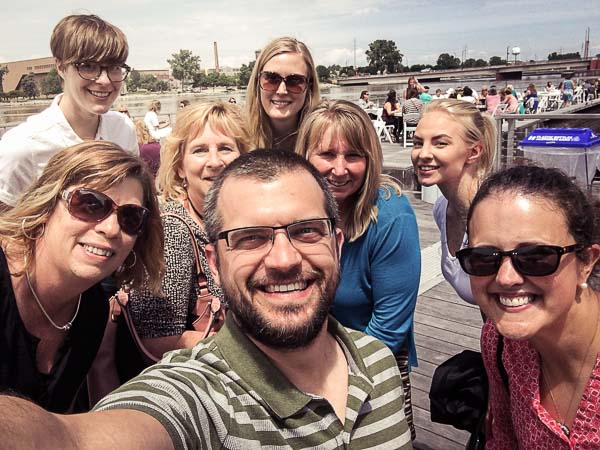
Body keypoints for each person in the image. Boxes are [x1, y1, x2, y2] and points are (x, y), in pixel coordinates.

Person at [0, 150, 413, 450]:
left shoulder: (377, 362)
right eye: (251, 238)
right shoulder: (198, 393)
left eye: (306, 230)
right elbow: (75, 438)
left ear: (336, 243)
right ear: (214, 263)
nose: (285, 259)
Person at [0, 141, 164, 413]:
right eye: (90, 204)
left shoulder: (91, 310)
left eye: (130, 217)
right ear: (47, 205)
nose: (111, 229)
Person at [296, 99, 421, 439]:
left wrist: (337, 376)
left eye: (353, 155)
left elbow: (391, 326)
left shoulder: (392, 215)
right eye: (326, 154)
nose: (340, 169)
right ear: (305, 155)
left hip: (372, 357)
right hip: (304, 359)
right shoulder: (296, 210)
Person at [456, 165, 600, 448]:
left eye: (536, 257)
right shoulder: (499, 342)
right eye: (484, 258)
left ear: (586, 262)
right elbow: (503, 440)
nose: (506, 278)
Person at [128, 102, 251, 358]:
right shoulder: (173, 229)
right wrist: (249, 347)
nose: (215, 161)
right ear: (181, 166)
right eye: (200, 150)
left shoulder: (241, 220)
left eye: (226, 148)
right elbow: (155, 339)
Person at [0, 14, 137, 210]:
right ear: (61, 67)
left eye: (114, 67)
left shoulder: (123, 129)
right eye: (88, 67)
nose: (105, 80)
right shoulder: (22, 147)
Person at [412, 99, 496, 305]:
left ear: (474, 152)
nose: (423, 154)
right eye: (417, 143)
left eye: (440, 143)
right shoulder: (443, 208)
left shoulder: (496, 214)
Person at [246, 36, 320, 150]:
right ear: (257, 82)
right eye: (271, 79)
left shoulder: (323, 143)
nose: (282, 91)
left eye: (294, 81)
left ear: (309, 86)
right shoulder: (237, 141)